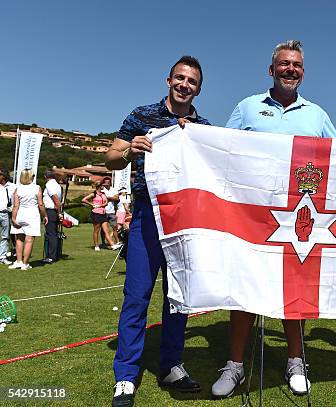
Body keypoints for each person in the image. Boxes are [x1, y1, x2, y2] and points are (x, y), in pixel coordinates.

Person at [211, 40, 336, 399]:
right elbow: (222, 148)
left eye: (297, 64)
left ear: (303, 71)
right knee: (244, 287)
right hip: (250, 216)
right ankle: (235, 365)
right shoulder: (247, 107)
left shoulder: (317, 114)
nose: (290, 69)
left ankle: (296, 361)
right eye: (284, 64)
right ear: (271, 70)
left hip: (299, 217)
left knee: (294, 288)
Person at [105, 55, 210, 407]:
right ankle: (126, 374)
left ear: (198, 89)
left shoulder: (202, 128)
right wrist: (130, 148)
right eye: (179, 78)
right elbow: (111, 157)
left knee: (178, 296)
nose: (184, 84)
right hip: (147, 216)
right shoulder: (141, 115)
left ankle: (171, 365)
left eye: (191, 81)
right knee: (137, 295)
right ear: (168, 81)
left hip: (185, 220)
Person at [9, 169, 48, 270]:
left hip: (20, 214)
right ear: (32, 177)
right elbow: (40, 204)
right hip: (32, 215)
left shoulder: (18, 189)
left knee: (19, 239)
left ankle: (18, 262)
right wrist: (45, 215)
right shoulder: (37, 188)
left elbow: (16, 206)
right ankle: (25, 264)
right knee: (29, 240)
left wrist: (13, 218)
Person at [81, 182, 120, 251]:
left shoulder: (103, 194)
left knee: (106, 231)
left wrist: (101, 205)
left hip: (103, 213)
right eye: (102, 185)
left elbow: (106, 202)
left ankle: (112, 245)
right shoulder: (94, 194)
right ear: (99, 186)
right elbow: (84, 200)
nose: (103, 186)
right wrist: (92, 204)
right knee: (96, 230)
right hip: (96, 214)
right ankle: (96, 246)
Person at [42, 169, 63, 263]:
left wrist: (59, 212)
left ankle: (51, 256)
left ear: (45, 177)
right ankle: (54, 254)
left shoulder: (49, 185)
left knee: (51, 234)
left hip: (50, 211)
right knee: (54, 233)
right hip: (54, 211)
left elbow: (55, 199)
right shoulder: (57, 185)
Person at [101, 176, 120, 244]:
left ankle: (117, 241)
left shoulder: (114, 189)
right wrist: (112, 197)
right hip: (103, 211)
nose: (106, 184)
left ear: (110, 183)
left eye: (108, 183)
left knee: (115, 227)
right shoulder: (101, 190)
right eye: (105, 183)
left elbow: (117, 198)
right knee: (103, 229)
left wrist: (108, 197)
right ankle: (103, 243)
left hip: (111, 212)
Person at [0, 170, 12, 265]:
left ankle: (2, 257)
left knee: (5, 236)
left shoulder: (13, 187)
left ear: (3, 176)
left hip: (5, 214)